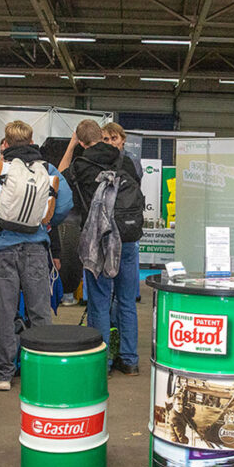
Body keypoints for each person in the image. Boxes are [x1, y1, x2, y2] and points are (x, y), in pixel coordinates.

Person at [0, 120, 72, 391]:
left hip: (3, 250)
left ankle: (3, 375)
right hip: (35, 248)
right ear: (32, 142)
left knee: (4, 313)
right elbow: (65, 203)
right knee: (40, 312)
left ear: (6, 143)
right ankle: (43, 371)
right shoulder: (47, 168)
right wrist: (44, 222)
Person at [59, 119, 141, 376]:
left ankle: (101, 363)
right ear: (101, 135)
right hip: (127, 238)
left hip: (100, 241)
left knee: (100, 302)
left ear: (82, 142)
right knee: (127, 301)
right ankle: (130, 361)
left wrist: (71, 146)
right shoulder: (124, 161)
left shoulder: (81, 165)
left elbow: (58, 179)